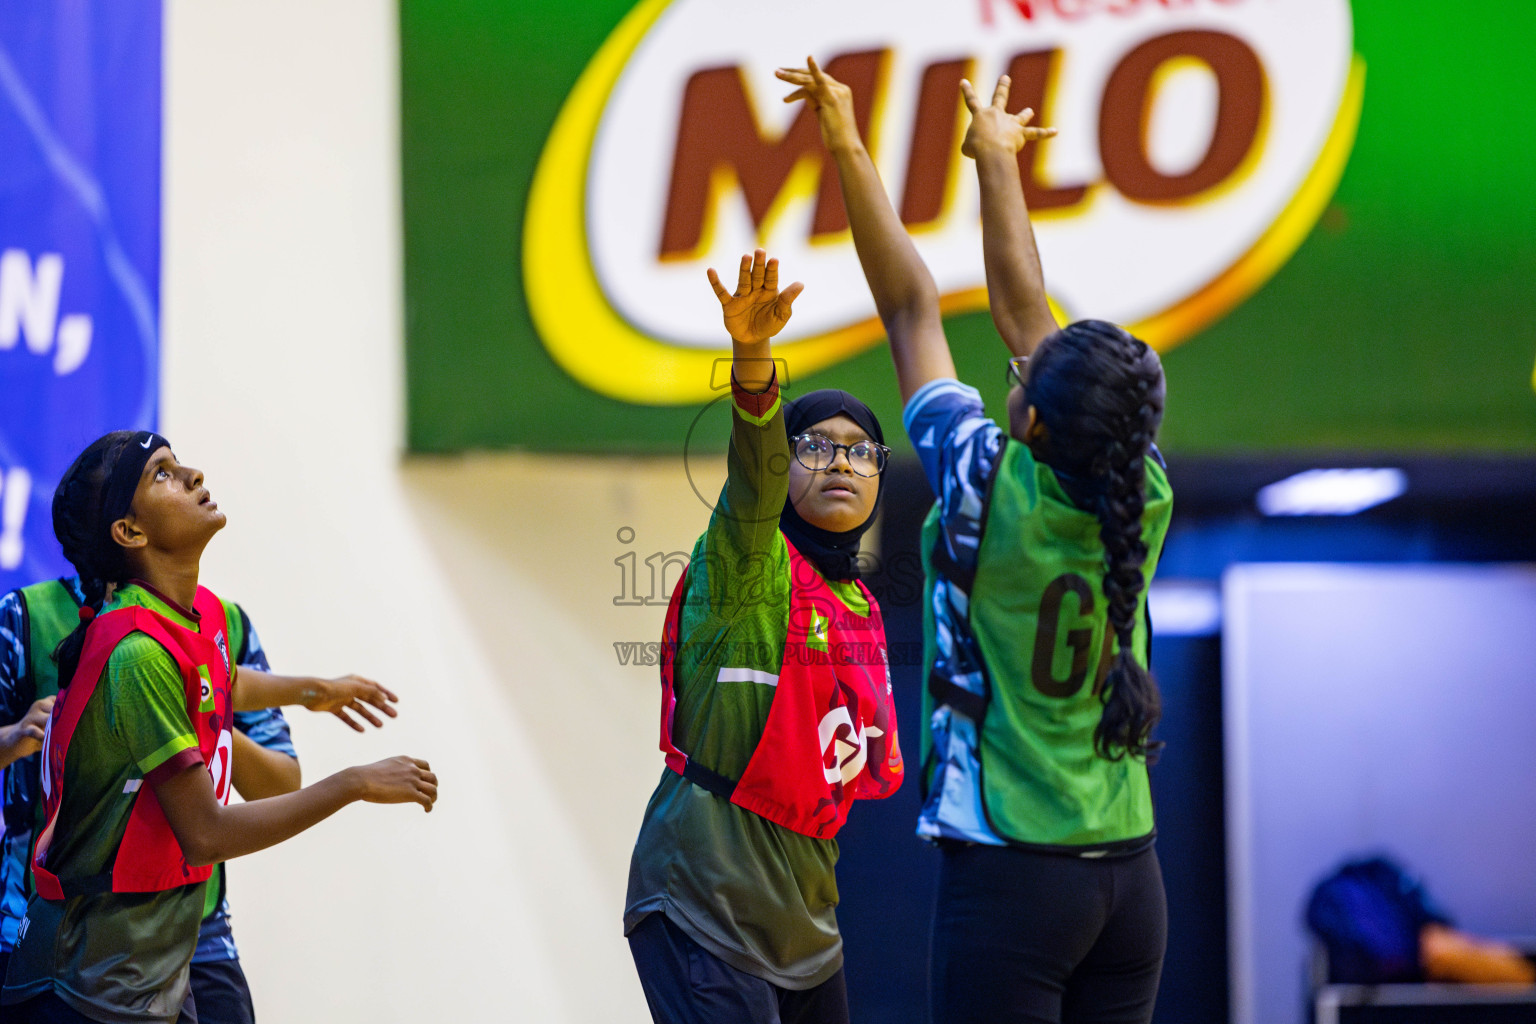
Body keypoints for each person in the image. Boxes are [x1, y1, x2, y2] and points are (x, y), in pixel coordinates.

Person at [778, 59, 1173, 1024]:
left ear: (1031, 421)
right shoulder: (1142, 486)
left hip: (1014, 880)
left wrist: (846, 143)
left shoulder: (982, 479)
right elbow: (1028, 317)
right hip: (1132, 878)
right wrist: (996, 161)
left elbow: (913, 305)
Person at [0, 431, 438, 1024]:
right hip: (82, 978)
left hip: (152, 958)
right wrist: (355, 782)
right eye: (162, 474)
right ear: (129, 532)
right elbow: (205, 834)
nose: (195, 476)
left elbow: (224, 679)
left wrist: (317, 691)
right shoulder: (134, 651)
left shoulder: (189, 621)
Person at [624, 249, 904, 1024]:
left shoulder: (861, 609)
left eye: (860, 450)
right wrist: (753, 360)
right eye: (815, 445)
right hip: (703, 898)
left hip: (806, 919)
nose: (840, 461)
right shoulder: (751, 555)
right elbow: (752, 468)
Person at [0, 573, 365, 1022]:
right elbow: (206, 835)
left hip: (194, 926)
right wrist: (14, 737)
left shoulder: (219, 618)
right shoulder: (31, 616)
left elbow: (277, 775)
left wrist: (194, 721)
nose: (202, 496)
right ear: (125, 525)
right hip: (65, 928)